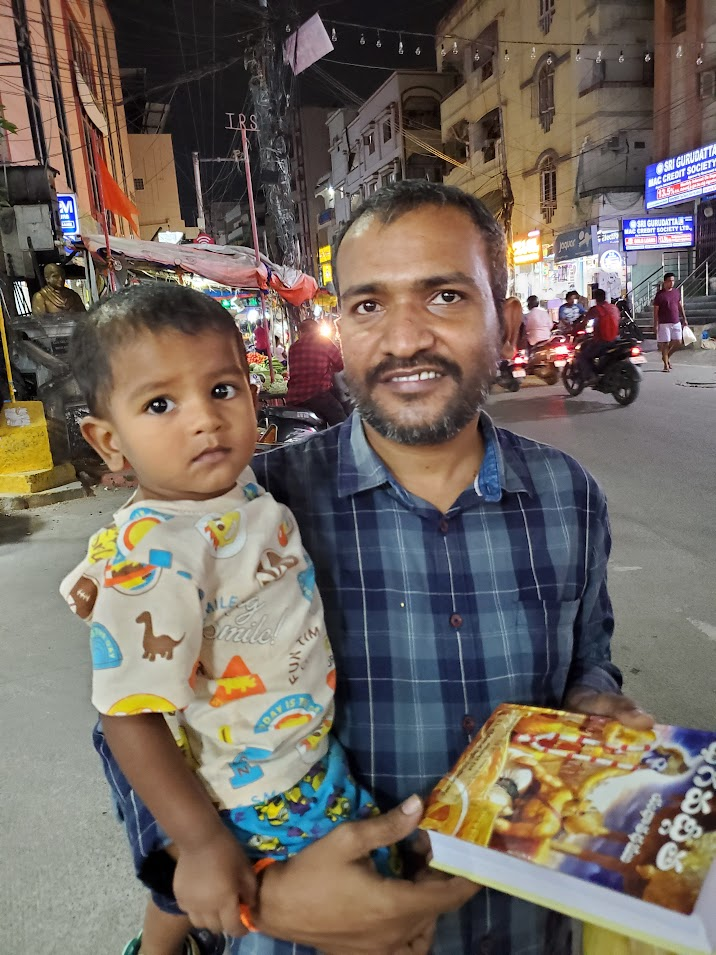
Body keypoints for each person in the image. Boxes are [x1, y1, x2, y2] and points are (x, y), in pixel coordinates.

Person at [94, 181, 651, 955]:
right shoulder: (255, 510)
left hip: (525, 924)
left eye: (446, 295)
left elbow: (590, 657)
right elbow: (133, 717)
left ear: (504, 311)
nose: (403, 339)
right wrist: (260, 897)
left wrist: (597, 703)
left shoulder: (568, 497)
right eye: (367, 306)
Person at [60, 285, 395, 955]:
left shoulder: (231, 491)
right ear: (108, 440)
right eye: (160, 404)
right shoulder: (159, 553)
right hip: (242, 793)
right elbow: (128, 716)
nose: (204, 421)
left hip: (298, 753)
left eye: (221, 389)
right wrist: (201, 839)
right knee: (364, 908)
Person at [285, 318, 347, 425]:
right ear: (317, 330)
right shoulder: (324, 342)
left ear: (300, 332)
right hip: (318, 394)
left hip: (294, 398)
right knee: (342, 423)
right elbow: (340, 364)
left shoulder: (293, 347)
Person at [578, 288, 620, 383]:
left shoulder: (595, 309)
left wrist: (573, 331)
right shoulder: (613, 307)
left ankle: (592, 376)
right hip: (615, 340)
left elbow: (583, 324)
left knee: (583, 356)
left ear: (595, 298)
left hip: (602, 341)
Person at [653, 272, 688, 372]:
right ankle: (665, 365)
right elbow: (656, 311)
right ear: (665, 282)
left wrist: (684, 318)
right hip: (664, 323)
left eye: (673, 281)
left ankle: (666, 356)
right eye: (669, 281)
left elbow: (680, 305)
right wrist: (655, 324)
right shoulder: (659, 295)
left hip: (675, 321)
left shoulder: (676, 292)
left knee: (678, 342)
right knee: (665, 343)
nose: (671, 283)